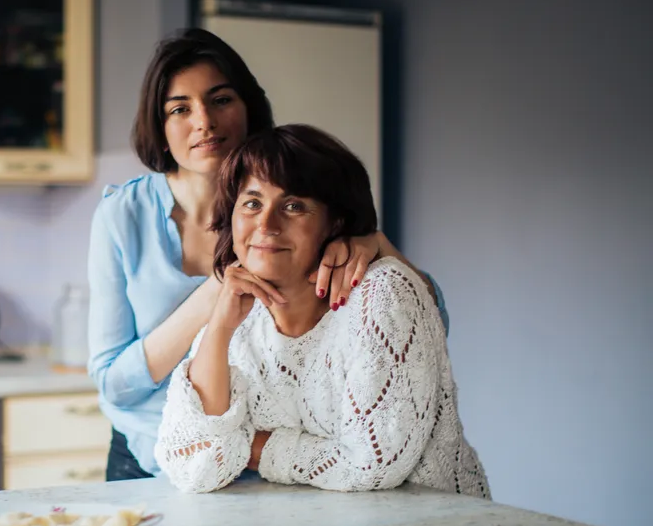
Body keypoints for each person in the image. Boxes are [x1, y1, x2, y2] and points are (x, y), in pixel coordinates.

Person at [88, 28, 451, 482]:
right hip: (155, 457)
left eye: (220, 100)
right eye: (180, 108)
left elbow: (422, 328)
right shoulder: (123, 215)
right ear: (159, 128)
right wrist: (218, 295)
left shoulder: (299, 201)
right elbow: (113, 385)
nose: (204, 121)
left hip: (281, 460)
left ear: (248, 110)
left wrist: (379, 247)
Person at [155, 124, 490, 498]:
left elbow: (373, 466)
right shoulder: (239, 319)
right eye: (252, 203)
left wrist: (253, 446)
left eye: (294, 206)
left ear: (337, 221)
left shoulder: (382, 293)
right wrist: (218, 328)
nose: (266, 224)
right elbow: (191, 465)